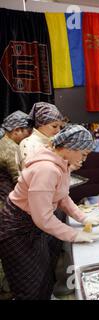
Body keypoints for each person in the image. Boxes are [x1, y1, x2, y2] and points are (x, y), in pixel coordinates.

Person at [0, 125, 99, 300]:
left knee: (43, 277)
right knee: (28, 285)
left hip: (32, 223)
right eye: (84, 154)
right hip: (17, 228)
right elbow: (43, 217)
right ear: (71, 148)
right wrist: (74, 235)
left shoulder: (61, 162)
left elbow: (62, 197)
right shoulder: (46, 169)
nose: (84, 159)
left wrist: (83, 217)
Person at [0, 111, 33, 298]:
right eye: (25, 131)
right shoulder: (10, 148)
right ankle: (7, 289)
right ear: (16, 130)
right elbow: (18, 180)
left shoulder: (4, 143)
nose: (27, 135)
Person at [18, 102, 65, 172]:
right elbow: (30, 175)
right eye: (54, 126)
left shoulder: (53, 141)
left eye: (60, 126)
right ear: (40, 124)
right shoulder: (28, 145)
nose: (58, 130)